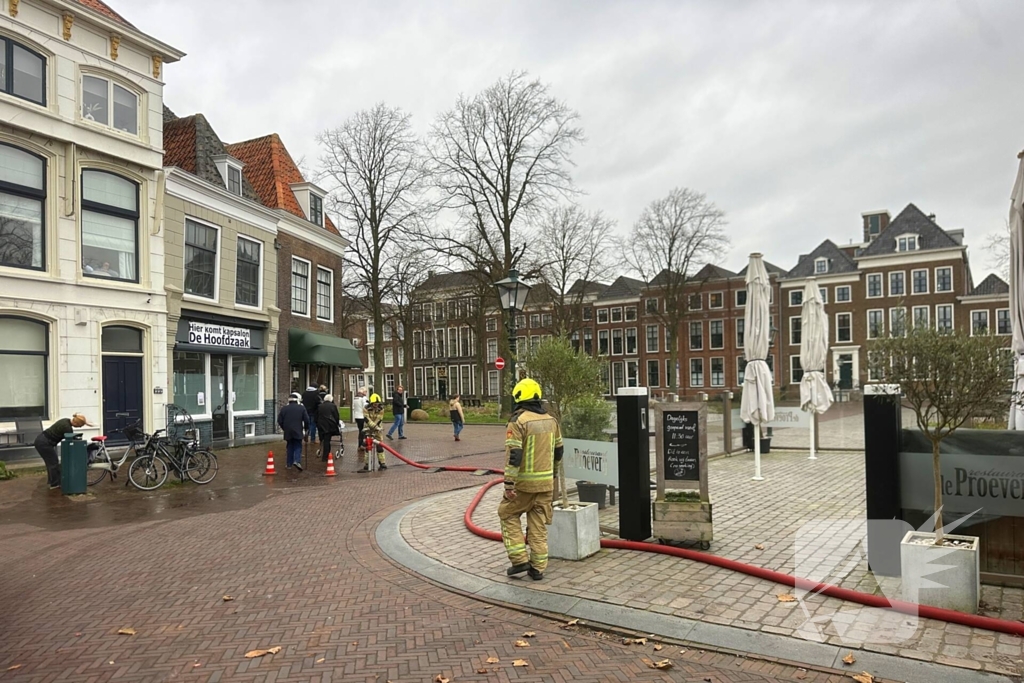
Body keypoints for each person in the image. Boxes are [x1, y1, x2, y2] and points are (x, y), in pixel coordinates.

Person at [498, 378, 563, 581]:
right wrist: (553, 476)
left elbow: (514, 454)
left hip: (523, 485)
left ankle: (519, 560)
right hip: (545, 484)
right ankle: (538, 569)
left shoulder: (518, 421)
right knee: (538, 524)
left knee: (507, 513)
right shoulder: (552, 420)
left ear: (519, 397)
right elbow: (559, 451)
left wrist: (509, 484)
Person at [34, 413, 94, 490]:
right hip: (44, 443)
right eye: (79, 426)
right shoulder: (67, 428)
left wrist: (87, 423)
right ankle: (55, 484)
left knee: (50, 462)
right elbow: (71, 441)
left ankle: (53, 481)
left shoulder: (65, 420)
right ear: (76, 423)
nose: (79, 427)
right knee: (53, 463)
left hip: (41, 440)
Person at [277, 393, 309, 471]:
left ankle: (289, 464)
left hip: (288, 431)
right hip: (298, 430)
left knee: (289, 446)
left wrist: (284, 428)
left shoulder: (284, 409)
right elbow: (307, 420)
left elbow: (279, 420)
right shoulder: (301, 408)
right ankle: (297, 461)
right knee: (298, 445)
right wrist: (306, 429)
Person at [359, 393, 388, 472]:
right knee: (368, 446)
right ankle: (367, 463)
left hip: (378, 428)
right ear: (371, 403)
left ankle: (382, 462)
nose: (376, 405)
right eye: (375, 404)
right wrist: (372, 427)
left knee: (380, 446)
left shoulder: (381, 408)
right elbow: (366, 419)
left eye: (378, 404)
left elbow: (379, 419)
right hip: (368, 428)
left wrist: (376, 428)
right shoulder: (366, 408)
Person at [316, 394, 342, 462]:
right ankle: (325, 456)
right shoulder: (333, 406)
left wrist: (317, 423)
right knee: (327, 440)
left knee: (323, 439)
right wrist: (337, 423)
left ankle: (324, 452)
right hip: (329, 425)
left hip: (321, 425)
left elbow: (316, 415)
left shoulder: (320, 406)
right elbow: (336, 416)